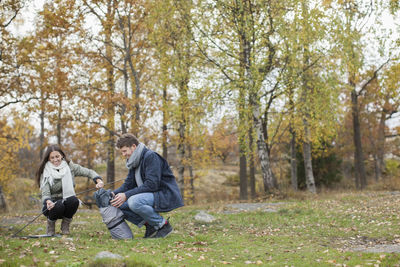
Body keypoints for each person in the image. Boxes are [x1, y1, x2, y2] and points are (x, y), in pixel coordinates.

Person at [103, 133, 184, 238]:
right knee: (117, 203)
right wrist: (113, 194)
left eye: (124, 151)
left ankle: (163, 225)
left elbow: (152, 185)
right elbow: (128, 184)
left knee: (133, 201)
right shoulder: (134, 161)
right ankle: (150, 225)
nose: (123, 154)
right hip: (150, 194)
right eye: (122, 152)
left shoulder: (151, 157)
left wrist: (126, 195)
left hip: (164, 194)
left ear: (133, 146)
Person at [35, 144, 104, 236]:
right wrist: (48, 201)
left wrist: (98, 181)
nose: (55, 159)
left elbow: (88, 172)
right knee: (59, 205)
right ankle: (50, 225)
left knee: (74, 201)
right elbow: (45, 191)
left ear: (62, 155)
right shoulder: (45, 172)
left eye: (57, 156)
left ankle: (65, 225)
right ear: (48, 159)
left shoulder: (70, 166)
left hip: (67, 201)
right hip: (51, 205)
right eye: (52, 157)